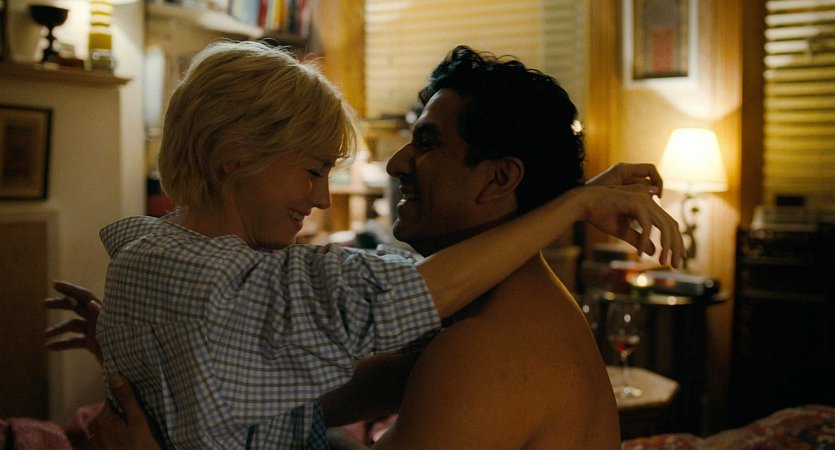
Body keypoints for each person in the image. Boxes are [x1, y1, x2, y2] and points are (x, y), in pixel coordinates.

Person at [55, 40, 682, 448]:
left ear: (498, 180)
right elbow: (296, 392)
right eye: (312, 170)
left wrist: (572, 202)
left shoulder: (486, 346)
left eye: (427, 143)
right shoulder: (483, 316)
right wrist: (175, 356)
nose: (398, 163)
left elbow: (397, 300)